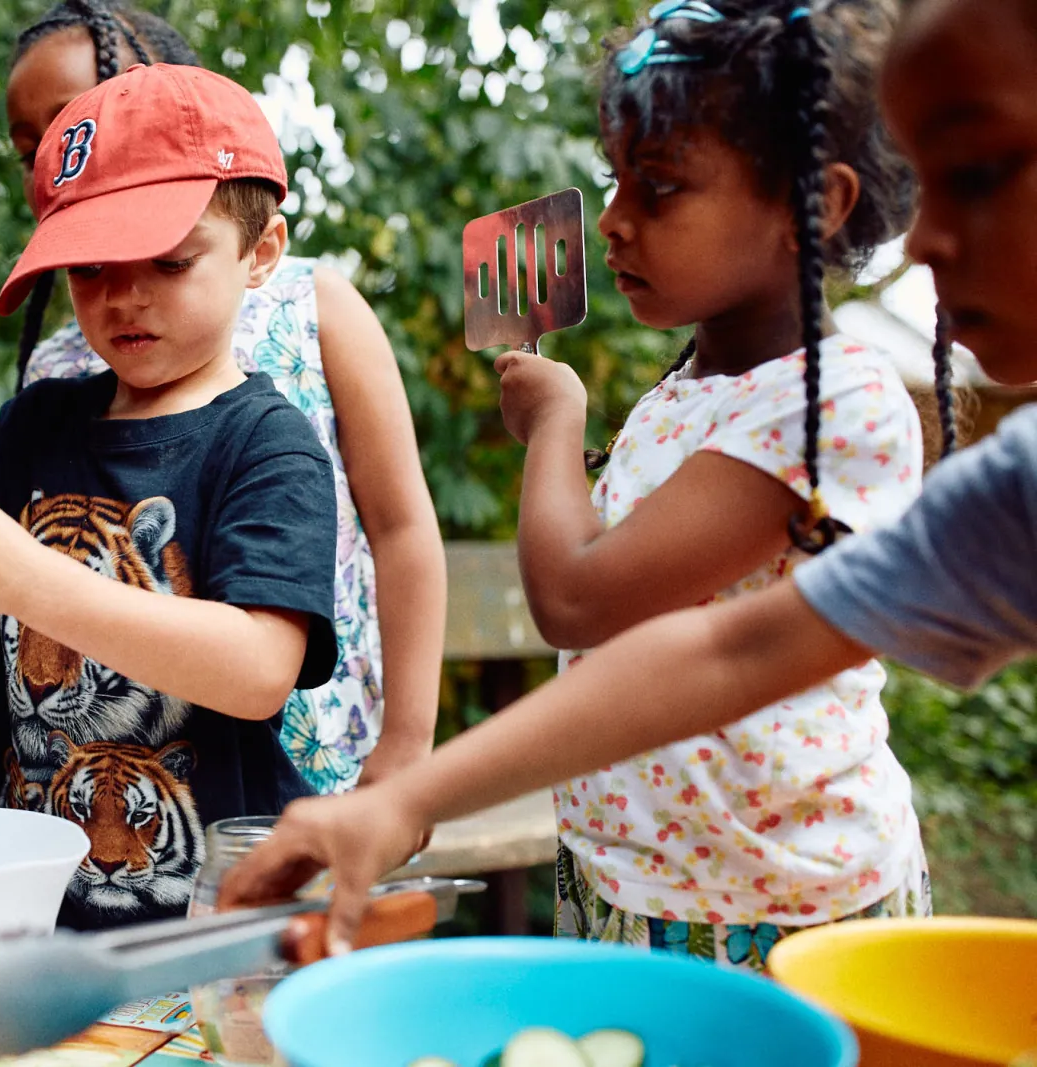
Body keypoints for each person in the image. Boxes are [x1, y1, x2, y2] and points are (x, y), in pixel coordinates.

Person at [227, 0, 961, 969]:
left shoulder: (834, 404)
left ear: (811, 204)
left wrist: (554, 425)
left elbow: (576, 596)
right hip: (629, 876)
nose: (611, 221)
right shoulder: (680, 394)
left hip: (780, 896)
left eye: (659, 187)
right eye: (615, 180)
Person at [0, 64, 341, 929]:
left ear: (261, 252)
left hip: (195, 922)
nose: (123, 296)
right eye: (89, 267)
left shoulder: (267, 442)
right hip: (15, 907)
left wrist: (24, 576)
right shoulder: (37, 421)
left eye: (171, 259)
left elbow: (261, 671)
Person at [4, 0, 445, 793]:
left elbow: (401, 525)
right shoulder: (57, 379)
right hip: (107, 765)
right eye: (34, 146)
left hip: (318, 737)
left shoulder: (314, 308)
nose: (59, 152)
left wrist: (409, 741)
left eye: (170, 261)